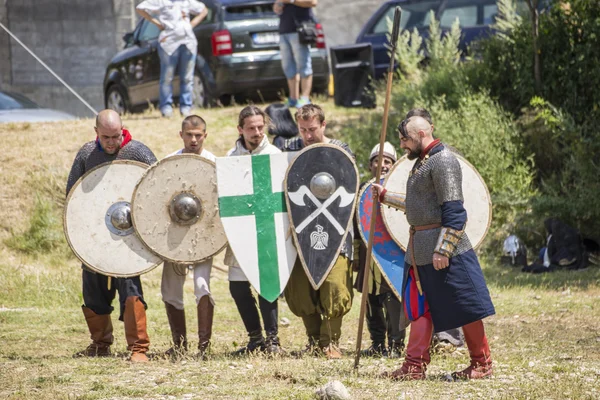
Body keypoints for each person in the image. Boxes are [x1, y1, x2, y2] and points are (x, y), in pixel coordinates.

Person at [372, 110, 495, 380]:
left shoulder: (443, 161)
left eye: (405, 139)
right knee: (419, 306)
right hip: (420, 249)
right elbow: (421, 207)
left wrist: (444, 248)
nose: (402, 145)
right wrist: (386, 196)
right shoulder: (423, 161)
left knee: (466, 305)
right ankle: (414, 366)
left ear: (421, 134)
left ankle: (481, 363)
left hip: (445, 249)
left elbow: (455, 211)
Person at [66, 109, 157, 362]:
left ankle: (138, 348)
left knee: (130, 290)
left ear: (123, 129)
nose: (111, 142)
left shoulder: (137, 152)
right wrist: (81, 233)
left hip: (129, 234)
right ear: (96, 132)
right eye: (106, 137)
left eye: (115, 136)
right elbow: (73, 196)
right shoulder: (86, 154)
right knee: (93, 290)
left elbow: (158, 187)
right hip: (96, 235)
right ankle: (100, 343)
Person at [282, 104, 354, 359]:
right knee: (302, 290)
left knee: (334, 286)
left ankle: (331, 342)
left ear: (323, 125)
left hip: (336, 232)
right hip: (301, 233)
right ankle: (313, 341)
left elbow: (347, 190)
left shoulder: (341, 151)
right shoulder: (291, 152)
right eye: (303, 130)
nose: (308, 135)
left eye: (312, 129)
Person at [225, 105, 283, 355]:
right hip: (241, 228)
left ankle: (273, 340)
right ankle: (255, 339)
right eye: (251, 128)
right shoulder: (231, 158)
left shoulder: (273, 154)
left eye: (261, 127)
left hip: (266, 227)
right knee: (237, 287)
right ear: (241, 129)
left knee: (266, 284)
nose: (257, 132)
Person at [161, 115, 216, 358]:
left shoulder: (214, 163)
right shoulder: (170, 162)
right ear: (181, 135)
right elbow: (159, 201)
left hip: (204, 235)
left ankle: (204, 347)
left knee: (202, 285)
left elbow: (217, 205)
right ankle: (179, 346)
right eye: (189, 134)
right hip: (174, 235)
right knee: (170, 289)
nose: (194, 139)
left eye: (198, 135)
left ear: (205, 135)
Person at [353, 142, 406, 358]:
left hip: (391, 253)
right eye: (378, 160)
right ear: (370, 165)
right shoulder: (363, 189)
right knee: (370, 298)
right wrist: (356, 255)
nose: (382, 165)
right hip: (368, 253)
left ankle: (396, 344)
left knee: (393, 298)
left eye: (387, 161)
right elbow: (357, 225)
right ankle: (377, 343)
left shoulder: (400, 187)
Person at [136, 0, 208, 117]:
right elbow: (140, 8)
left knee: (187, 77)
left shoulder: (186, 1)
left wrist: (191, 24)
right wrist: (157, 23)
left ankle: (186, 107)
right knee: (167, 77)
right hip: (168, 43)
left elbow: (203, 10)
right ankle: (166, 107)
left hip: (188, 42)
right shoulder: (161, 1)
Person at [273, 0, 317, 108]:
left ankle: (305, 98)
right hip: (284, 31)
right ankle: (293, 98)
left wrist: (292, 1)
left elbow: (313, 2)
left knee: (303, 64)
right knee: (288, 66)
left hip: (300, 30)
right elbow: (276, 9)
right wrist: (279, 4)